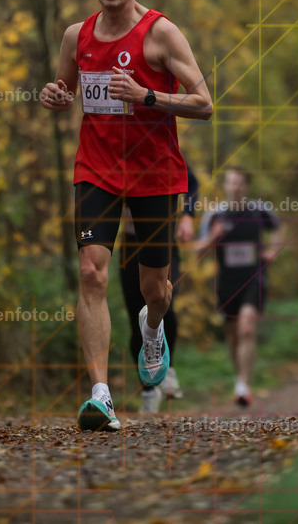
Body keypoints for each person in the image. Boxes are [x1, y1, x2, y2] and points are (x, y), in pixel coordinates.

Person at [41, 0, 213, 431]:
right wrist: (56, 96)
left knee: (153, 289)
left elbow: (204, 102)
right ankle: (101, 394)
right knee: (92, 273)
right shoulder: (77, 36)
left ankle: (152, 328)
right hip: (95, 169)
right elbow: (65, 92)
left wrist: (148, 96)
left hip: (154, 173)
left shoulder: (161, 33)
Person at [196, 167, 284, 407]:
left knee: (247, 328)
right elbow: (197, 251)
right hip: (226, 280)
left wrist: (272, 250)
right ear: (225, 186)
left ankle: (244, 385)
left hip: (254, 276)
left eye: (239, 184)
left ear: (246, 187)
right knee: (233, 333)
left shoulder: (259, 211)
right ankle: (240, 379)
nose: (235, 188)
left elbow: (278, 227)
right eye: (231, 183)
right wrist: (211, 240)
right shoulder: (214, 216)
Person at [120, 163, 198, 412]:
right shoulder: (115, 153)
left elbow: (192, 183)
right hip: (130, 246)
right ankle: (148, 389)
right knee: (136, 319)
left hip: (163, 241)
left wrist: (187, 215)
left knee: (165, 302)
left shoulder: (160, 147)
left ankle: (169, 367)